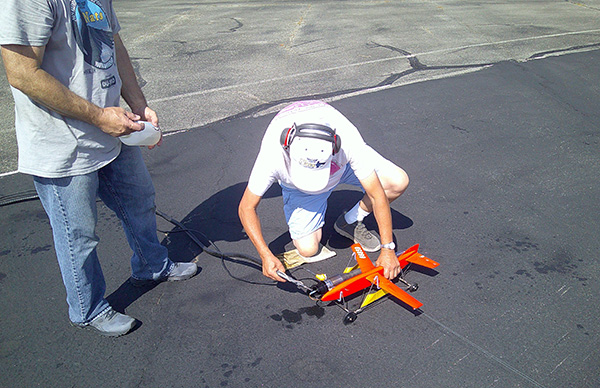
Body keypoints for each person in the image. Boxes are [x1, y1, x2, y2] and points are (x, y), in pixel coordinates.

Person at [0, 0, 197, 337]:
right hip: (62, 142)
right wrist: (99, 117)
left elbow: (113, 43)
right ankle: (87, 308)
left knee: (140, 201)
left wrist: (138, 102)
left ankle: (152, 265)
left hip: (112, 127)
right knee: (78, 235)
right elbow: (21, 72)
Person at [238, 100, 409, 283]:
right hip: (299, 188)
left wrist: (388, 248)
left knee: (397, 182)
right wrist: (265, 254)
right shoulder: (273, 154)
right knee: (308, 249)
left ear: (334, 146)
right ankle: (317, 212)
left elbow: (377, 194)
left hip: (341, 167)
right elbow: (246, 207)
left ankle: (350, 221)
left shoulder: (348, 141)